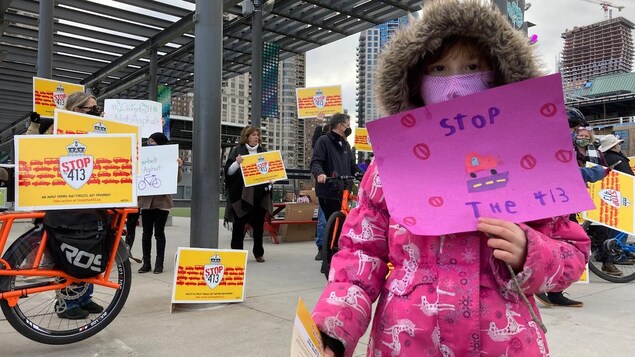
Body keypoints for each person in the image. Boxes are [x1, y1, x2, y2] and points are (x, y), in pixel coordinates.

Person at [311, 2, 589, 356]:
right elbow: (360, 254)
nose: (455, 84)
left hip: (506, 341)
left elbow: (573, 253)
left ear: (498, 74)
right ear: (415, 81)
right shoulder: (393, 166)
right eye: (438, 69)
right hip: (407, 340)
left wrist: (529, 251)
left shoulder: (527, 161)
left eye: (472, 67)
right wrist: (334, 330)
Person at [28, 92, 105, 319]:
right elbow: (34, 152)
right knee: (66, 254)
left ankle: (84, 297)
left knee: (90, 249)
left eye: (96, 107)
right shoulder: (56, 129)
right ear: (75, 109)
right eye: (89, 108)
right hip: (63, 204)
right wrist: (35, 128)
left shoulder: (99, 131)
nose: (94, 110)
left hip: (90, 203)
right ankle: (67, 304)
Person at [311, 114, 361, 262]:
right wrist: (320, 174)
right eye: (347, 124)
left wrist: (361, 174)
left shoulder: (345, 145)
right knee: (332, 225)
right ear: (340, 125)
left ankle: (338, 256)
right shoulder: (324, 141)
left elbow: (352, 166)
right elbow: (316, 162)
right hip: (328, 189)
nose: (348, 127)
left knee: (342, 225)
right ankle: (328, 258)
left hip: (344, 189)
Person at [223, 126, 273, 263]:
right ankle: (236, 253)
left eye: (257, 135)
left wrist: (271, 179)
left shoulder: (263, 152)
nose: (256, 137)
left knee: (258, 227)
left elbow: (269, 171)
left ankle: (258, 253)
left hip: (259, 195)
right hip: (241, 195)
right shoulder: (237, 151)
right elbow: (228, 172)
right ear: (246, 136)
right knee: (239, 227)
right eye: (253, 135)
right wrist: (237, 163)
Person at [137, 132, 183, 274]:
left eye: (153, 141)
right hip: (146, 201)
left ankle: (159, 263)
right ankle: (146, 263)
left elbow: (176, 180)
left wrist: (178, 166)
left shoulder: (169, 158)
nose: (150, 143)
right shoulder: (144, 157)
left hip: (162, 202)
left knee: (159, 233)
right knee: (146, 234)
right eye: (149, 141)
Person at [311, 122, 330, 261]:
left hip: (340, 188)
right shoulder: (322, 143)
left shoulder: (344, 145)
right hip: (325, 187)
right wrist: (318, 125)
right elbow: (315, 143)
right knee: (323, 220)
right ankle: (321, 248)